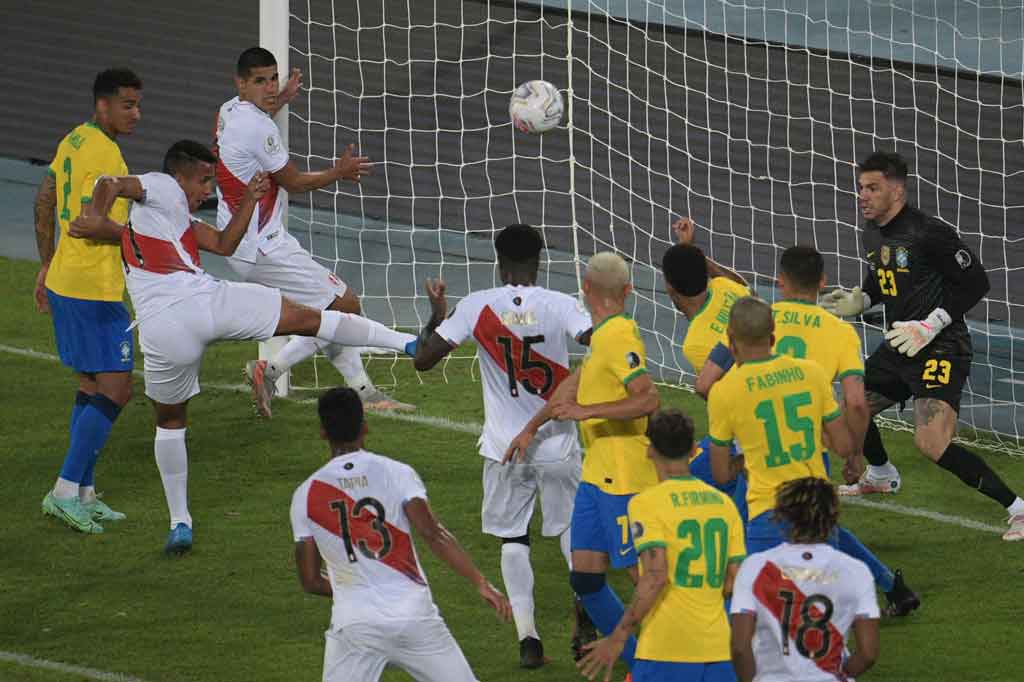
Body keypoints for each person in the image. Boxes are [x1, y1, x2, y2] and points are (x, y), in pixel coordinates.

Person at [68, 140, 418, 554]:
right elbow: (111, 182)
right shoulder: (162, 185)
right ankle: (409, 343)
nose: (206, 191)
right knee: (310, 317)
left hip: (163, 330)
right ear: (178, 177)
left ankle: (180, 522)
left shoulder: (168, 224)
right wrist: (94, 214)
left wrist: (249, 202)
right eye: (202, 182)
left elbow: (225, 244)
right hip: (206, 303)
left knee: (170, 421)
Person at [413, 224, 594, 668]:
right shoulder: (562, 304)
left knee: (514, 537)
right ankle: (585, 606)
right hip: (556, 444)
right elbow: (601, 342)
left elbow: (422, 359)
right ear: (540, 260)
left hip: (503, 448)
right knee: (572, 532)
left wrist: (438, 313)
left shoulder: (476, 307)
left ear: (498, 260)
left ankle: (528, 637)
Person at [699, 246, 917, 614]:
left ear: (780, 281)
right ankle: (885, 589)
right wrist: (854, 455)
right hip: (810, 451)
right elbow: (858, 403)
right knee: (814, 528)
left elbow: (705, 383)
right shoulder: (839, 333)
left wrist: (737, 411)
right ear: (823, 283)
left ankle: (728, 619)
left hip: (759, 449)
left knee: (743, 527)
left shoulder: (757, 319)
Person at [822, 151, 1024, 541]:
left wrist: (931, 325)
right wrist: (861, 299)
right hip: (900, 344)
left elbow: (976, 282)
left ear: (897, 191)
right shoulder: (873, 230)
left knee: (930, 443)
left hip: (941, 347)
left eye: (873, 188)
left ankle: (1017, 508)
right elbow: (883, 276)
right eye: (860, 187)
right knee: (851, 406)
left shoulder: (929, 232)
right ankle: (880, 474)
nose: (863, 196)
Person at [214, 46, 410, 416]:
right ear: (240, 84)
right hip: (262, 245)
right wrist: (340, 172)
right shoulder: (257, 127)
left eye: (274, 78)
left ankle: (365, 393)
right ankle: (271, 370)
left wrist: (279, 100)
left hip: (242, 236)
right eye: (260, 81)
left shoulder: (229, 111)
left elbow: (253, 123)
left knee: (324, 312)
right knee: (344, 306)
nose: (271, 87)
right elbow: (294, 183)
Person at [290, 387, 512, 682]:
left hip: (356, 626)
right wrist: (481, 582)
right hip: (414, 617)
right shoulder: (397, 473)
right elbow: (433, 534)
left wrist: (354, 589)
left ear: (322, 432)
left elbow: (310, 580)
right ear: (364, 426)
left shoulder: (305, 494)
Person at [508, 251, 660, 672]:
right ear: (628, 291)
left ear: (585, 289)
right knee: (587, 578)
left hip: (625, 479)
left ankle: (667, 658)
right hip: (597, 477)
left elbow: (647, 397)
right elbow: (566, 394)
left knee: (647, 580)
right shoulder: (603, 336)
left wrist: (588, 413)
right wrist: (530, 428)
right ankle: (635, 663)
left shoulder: (617, 338)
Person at [35, 69, 143, 534]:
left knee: (91, 386)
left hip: (66, 279)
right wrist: (144, 238)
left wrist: (46, 264)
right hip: (92, 290)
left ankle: (84, 492)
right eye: (127, 105)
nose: (136, 113)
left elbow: (44, 201)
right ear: (103, 106)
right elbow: (88, 222)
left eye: (138, 104)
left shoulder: (73, 140)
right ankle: (63, 491)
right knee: (118, 388)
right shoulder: (103, 153)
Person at [579, 409, 745, 682]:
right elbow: (735, 580)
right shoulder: (723, 505)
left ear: (649, 450)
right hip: (718, 650)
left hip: (666, 650)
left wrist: (619, 635)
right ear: (694, 449)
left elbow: (655, 576)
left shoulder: (646, 504)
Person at [730, 477, 881, 682]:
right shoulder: (856, 571)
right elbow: (868, 654)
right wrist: (838, 675)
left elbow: (740, 648)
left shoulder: (756, 567)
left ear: (783, 515)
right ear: (833, 516)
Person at [661, 217, 749, 397]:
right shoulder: (727, 287)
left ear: (671, 288)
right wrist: (690, 250)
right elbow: (742, 285)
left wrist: (688, 250)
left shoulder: (695, 344)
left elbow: (725, 395)